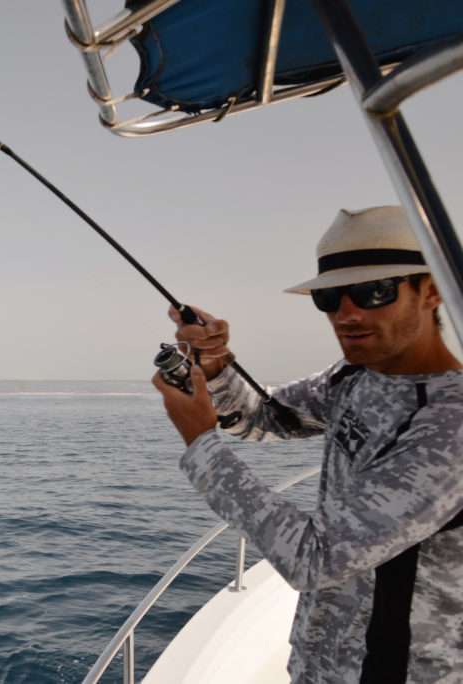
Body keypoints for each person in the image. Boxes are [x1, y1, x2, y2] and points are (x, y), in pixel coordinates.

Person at [151, 206, 463, 683]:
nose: (348, 313)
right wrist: (214, 366)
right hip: (320, 666)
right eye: (331, 298)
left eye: (373, 291)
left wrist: (201, 442)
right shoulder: (354, 376)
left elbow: (314, 559)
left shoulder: (450, 424)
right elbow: (267, 418)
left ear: (432, 290)